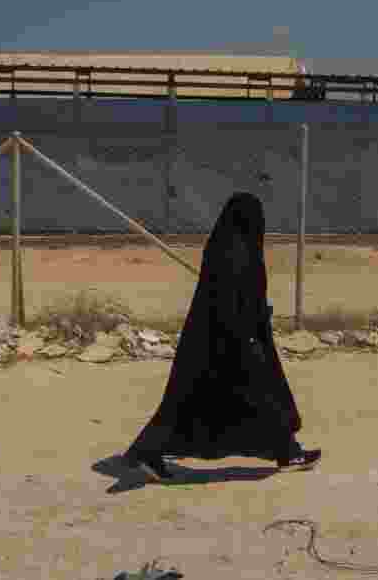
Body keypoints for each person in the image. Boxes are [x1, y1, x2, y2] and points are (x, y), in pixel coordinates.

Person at [123, 192, 321, 482]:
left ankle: (287, 451)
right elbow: (231, 303)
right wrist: (249, 338)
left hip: (217, 341)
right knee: (256, 396)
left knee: (197, 402)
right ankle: (287, 452)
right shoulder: (236, 254)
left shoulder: (224, 247)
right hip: (232, 343)